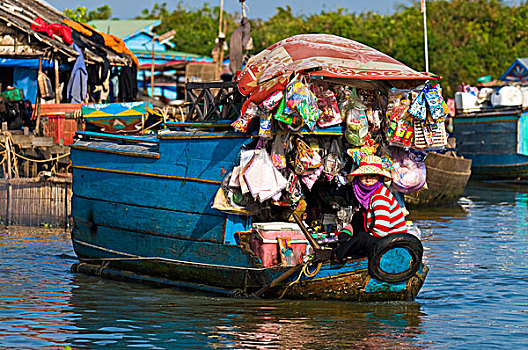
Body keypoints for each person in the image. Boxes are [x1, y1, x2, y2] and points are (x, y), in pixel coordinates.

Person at [334, 155, 407, 262]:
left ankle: (337, 255)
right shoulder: (367, 198)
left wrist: (356, 242)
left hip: (392, 243)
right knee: (359, 216)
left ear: (379, 178)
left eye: (373, 176)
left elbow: (381, 231)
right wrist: (346, 233)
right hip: (382, 240)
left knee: (362, 238)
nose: (368, 179)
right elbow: (358, 221)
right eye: (364, 176)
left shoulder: (379, 197)